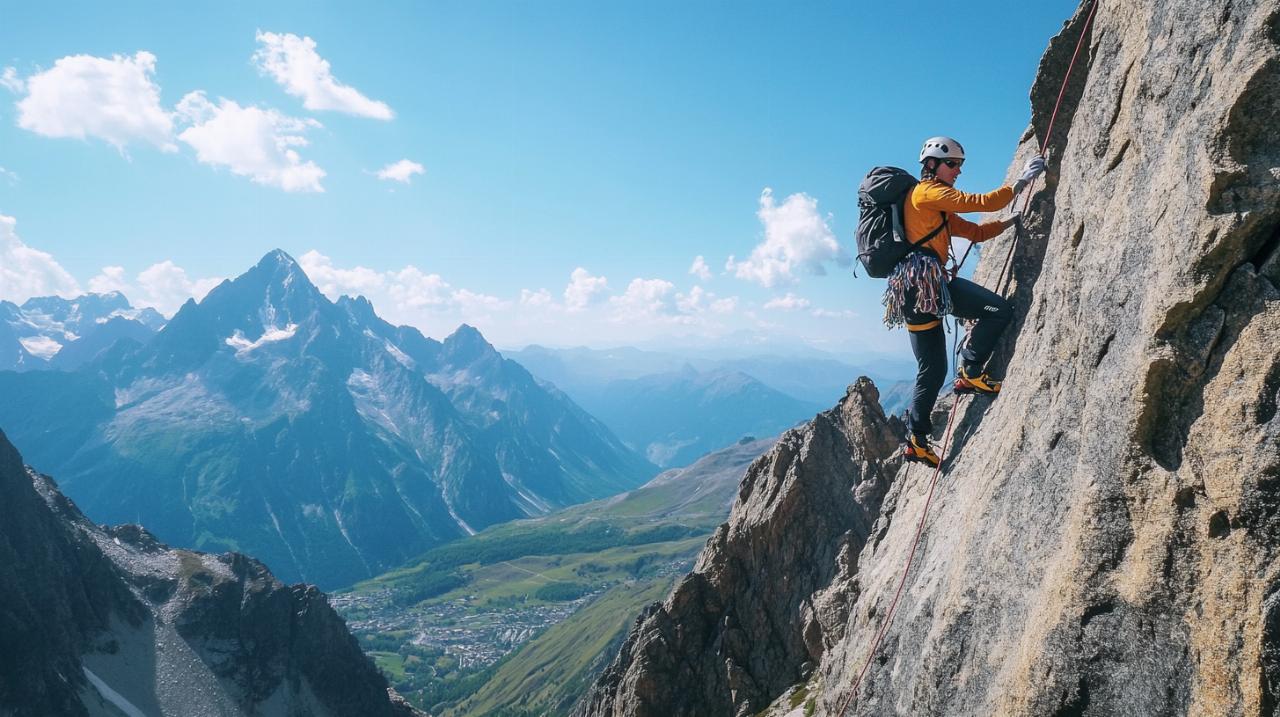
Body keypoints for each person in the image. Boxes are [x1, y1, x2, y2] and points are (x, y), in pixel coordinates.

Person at [885, 136, 1045, 467]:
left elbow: (975, 232)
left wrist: (1009, 222)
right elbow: (981, 201)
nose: (957, 171)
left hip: (916, 292)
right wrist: (1021, 182)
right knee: (998, 311)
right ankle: (971, 370)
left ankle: (916, 440)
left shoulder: (935, 208)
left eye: (960, 165)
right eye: (952, 164)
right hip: (928, 286)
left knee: (932, 368)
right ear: (932, 165)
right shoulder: (928, 192)